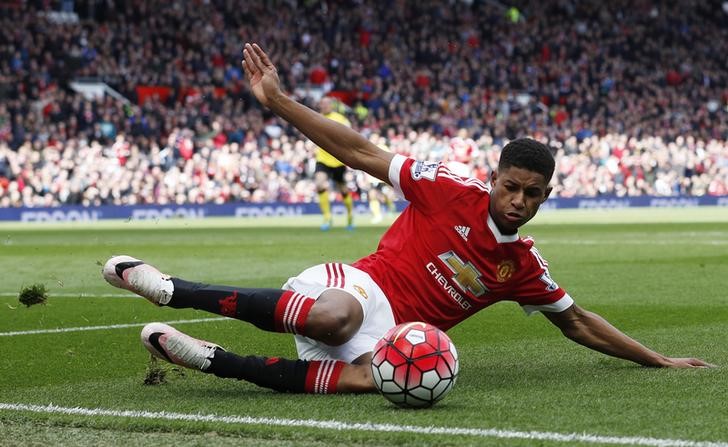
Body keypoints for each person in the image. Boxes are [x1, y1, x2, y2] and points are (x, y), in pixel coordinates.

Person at [102, 43, 712, 396]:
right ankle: (171, 290)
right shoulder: (448, 188)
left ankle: (211, 359)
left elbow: (577, 322)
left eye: (531, 194)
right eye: (509, 186)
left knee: (383, 382)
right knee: (339, 319)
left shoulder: (521, 267)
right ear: (494, 178)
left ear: (545, 198)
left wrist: (657, 360)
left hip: (392, 338)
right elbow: (363, 152)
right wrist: (282, 103)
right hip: (355, 288)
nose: (517, 201)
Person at [313, 96, 355, 231]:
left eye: (326, 104)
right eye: (322, 104)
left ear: (331, 105)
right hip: (323, 159)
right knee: (319, 184)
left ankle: (349, 216)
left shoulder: (340, 119)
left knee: (343, 190)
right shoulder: (315, 118)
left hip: (338, 160)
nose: (324, 106)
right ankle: (327, 217)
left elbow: (350, 134)